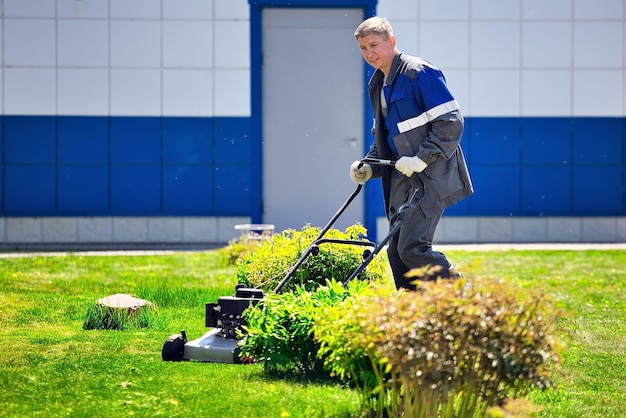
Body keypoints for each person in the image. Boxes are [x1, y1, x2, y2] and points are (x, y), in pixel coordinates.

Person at [349, 16, 473, 290]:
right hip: (403, 182)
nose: (369, 53)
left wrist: (421, 159)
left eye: (374, 45)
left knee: (412, 248)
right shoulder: (377, 83)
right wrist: (369, 166)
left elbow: (451, 122)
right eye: (363, 48)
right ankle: (411, 314)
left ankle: (462, 292)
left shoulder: (418, 73)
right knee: (396, 252)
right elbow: (385, 136)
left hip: (431, 176)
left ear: (391, 42)